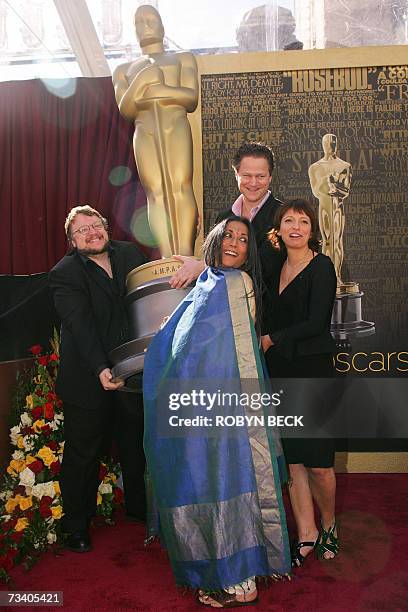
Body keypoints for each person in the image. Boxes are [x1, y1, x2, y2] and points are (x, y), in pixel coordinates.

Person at [143, 217, 291, 607]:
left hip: (227, 403)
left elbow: (229, 350)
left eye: (243, 240)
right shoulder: (210, 282)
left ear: (248, 253)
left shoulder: (234, 283)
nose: (235, 243)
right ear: (214, 239)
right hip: (200, 404)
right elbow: (189, 338)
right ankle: (222, 568)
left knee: (230, 476)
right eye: (228, 234)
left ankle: (240, 578)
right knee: (209, 477)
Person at [49, 205, 147, 552]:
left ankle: (139, 508)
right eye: (82, 230)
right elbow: (80, 325)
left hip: (132, 373)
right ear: (72, 241)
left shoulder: (131, 253)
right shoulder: (65, 273)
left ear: (106, 227)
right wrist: (102, 368)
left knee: (135, 445)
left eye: (96, 225)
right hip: (88, 378)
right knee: (83, 453)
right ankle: (75, 525)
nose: (91, 232)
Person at [261, 199, 338, 567]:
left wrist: (272, 339)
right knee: (293, 462)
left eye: (303, 221)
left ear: (312, 230)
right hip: (279, 375)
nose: (296, 227)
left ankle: (330, 526)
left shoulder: (322, 266)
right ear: (278, 229)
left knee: (320, 462)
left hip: (313, 373)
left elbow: (316, 323)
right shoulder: (272, 266)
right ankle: (306, 533)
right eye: (288, 220)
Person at [112, 4, 199, 257]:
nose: (145, 25)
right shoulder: (122, 70)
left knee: (181, 184)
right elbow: (126, 109)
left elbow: (191, 98)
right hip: (145, 130)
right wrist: (141, 80)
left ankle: (184, 251)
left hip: (175, 125)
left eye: (151, 19)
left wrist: (156, 89)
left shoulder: (182, 58)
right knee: (155, 192)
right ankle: (165, 254)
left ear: (162, 24)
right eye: (138, 22)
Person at [170, 142, 281, 289]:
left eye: (260, 176)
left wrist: (203, 266)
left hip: (266, 307)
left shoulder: (283, 216)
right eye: (247, 175)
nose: (253, 183)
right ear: (236, 175)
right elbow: (211, 257)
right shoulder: (223, 218)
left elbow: (264, 265)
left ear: (270, 177)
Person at [308, 134, 352, 286]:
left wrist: (334, 186)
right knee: (327, 240)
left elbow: (345, 191)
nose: (330, 145)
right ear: (322, 144)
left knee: (337, 241)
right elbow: (316, 191)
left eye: (333, 142)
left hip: (337, 207)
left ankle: (337, 276)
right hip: (324, 207)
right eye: (327, 142)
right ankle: (328, 277)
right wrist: (329, 184)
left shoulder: (344, 166)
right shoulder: (315, 167)